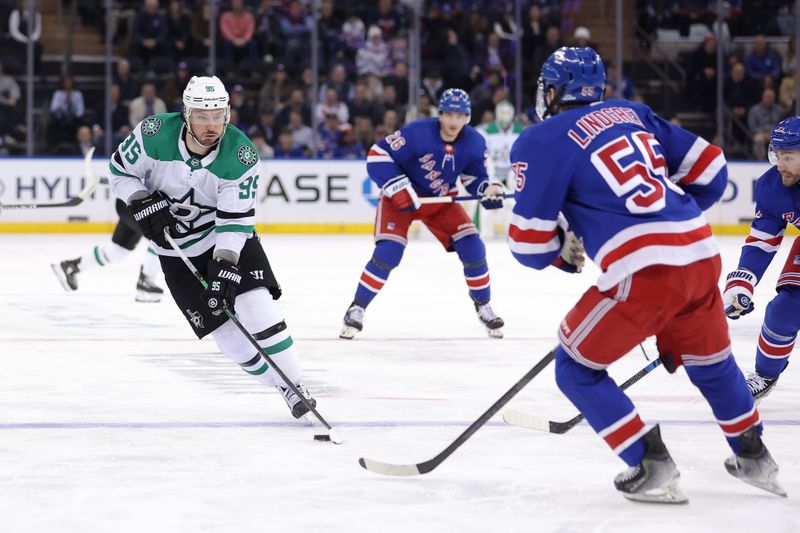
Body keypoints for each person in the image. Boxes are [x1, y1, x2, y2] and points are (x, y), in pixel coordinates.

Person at [509, 47, 785, 503]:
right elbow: (712, 168)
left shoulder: (538, 139)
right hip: (699, 253)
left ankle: (649, 462)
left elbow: (526, 245)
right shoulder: (631, 112)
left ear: (554, 91)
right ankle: (754, 455)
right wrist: (667, 222)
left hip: (643, 272)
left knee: (575, 367)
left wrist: (563, 255)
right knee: (713, 366)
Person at [105, 75, 317, 420]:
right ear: (186, 114)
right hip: (175, 252)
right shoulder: (154, 133)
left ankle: (294, 384)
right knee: (229, 339)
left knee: (256, 305)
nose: (210, 125)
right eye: (202, 116)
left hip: (224, 239)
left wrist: (225, 265)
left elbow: (234, 221)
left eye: (217, 115)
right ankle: (278, 383)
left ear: (227, 114)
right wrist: (140, 199)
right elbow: (118, 171)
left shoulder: (241, 156)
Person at [339, 88, 506, 340]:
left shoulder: (474, 142)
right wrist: (397, 186)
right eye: (448, 114)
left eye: (459, 116)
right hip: (401, 199)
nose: (453, 122)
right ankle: (357, 308)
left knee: (474, 247)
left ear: (468, 117)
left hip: (440, 201)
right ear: (439, 114)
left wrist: (488, 189)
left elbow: (474, 179)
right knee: (388, 253)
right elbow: (378, 154)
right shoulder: (417, 133)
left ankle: (483, 306)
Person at [722, 116, 800, 401]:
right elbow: (762, 241)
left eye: (788, 157)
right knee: (782, 312)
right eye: (777, 155)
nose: (780, 165)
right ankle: (765, 374)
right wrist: (742, 282)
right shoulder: (772, 187)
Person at [52, 199, 164, 303]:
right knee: (162, 236)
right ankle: (146, 282)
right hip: (137, 205)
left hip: (134, 205)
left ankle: (72, 267)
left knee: (117, 252)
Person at [476, 100, 522, 237]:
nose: (505, 115)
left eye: (508, 112)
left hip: (513, 174)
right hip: (492, 173)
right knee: (487, 201)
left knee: (513, 203)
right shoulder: (485, 131)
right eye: (502, 112)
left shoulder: (522, 131)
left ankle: (513, 234)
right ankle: (485, 233)